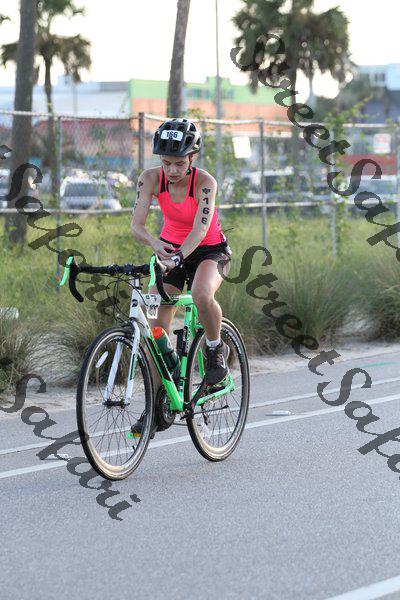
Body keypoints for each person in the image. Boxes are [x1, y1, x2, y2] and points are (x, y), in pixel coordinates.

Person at [130, 117, 232, 436]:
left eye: (179, 163)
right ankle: (157, 404)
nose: (172, 170)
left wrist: (178, 256)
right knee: (155, 330)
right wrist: (155, 243)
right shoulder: (149, 179)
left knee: (201, 294)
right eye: (166, 163)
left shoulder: (205, 182)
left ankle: (215, 348)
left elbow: (201, 229)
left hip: (209, 251)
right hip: (170, 251)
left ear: (192, 157)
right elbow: (136, 225)